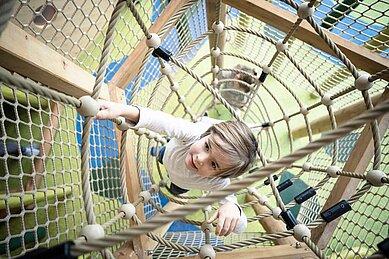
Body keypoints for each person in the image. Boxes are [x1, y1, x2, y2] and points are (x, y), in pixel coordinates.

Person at [96, 100, 258, 236]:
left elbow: (241, 226)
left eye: (214, 164)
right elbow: (159, 120)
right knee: (161, 153)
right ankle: (158, 152)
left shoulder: (218, 183)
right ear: (205, 135)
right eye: (207, 146)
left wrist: (233, 209)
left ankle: (174, 187)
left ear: (221, 175)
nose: (200, 158)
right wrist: (123, 110)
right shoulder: (193, 133)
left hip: (181, 183)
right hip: (169, 153)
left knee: (176, 189)